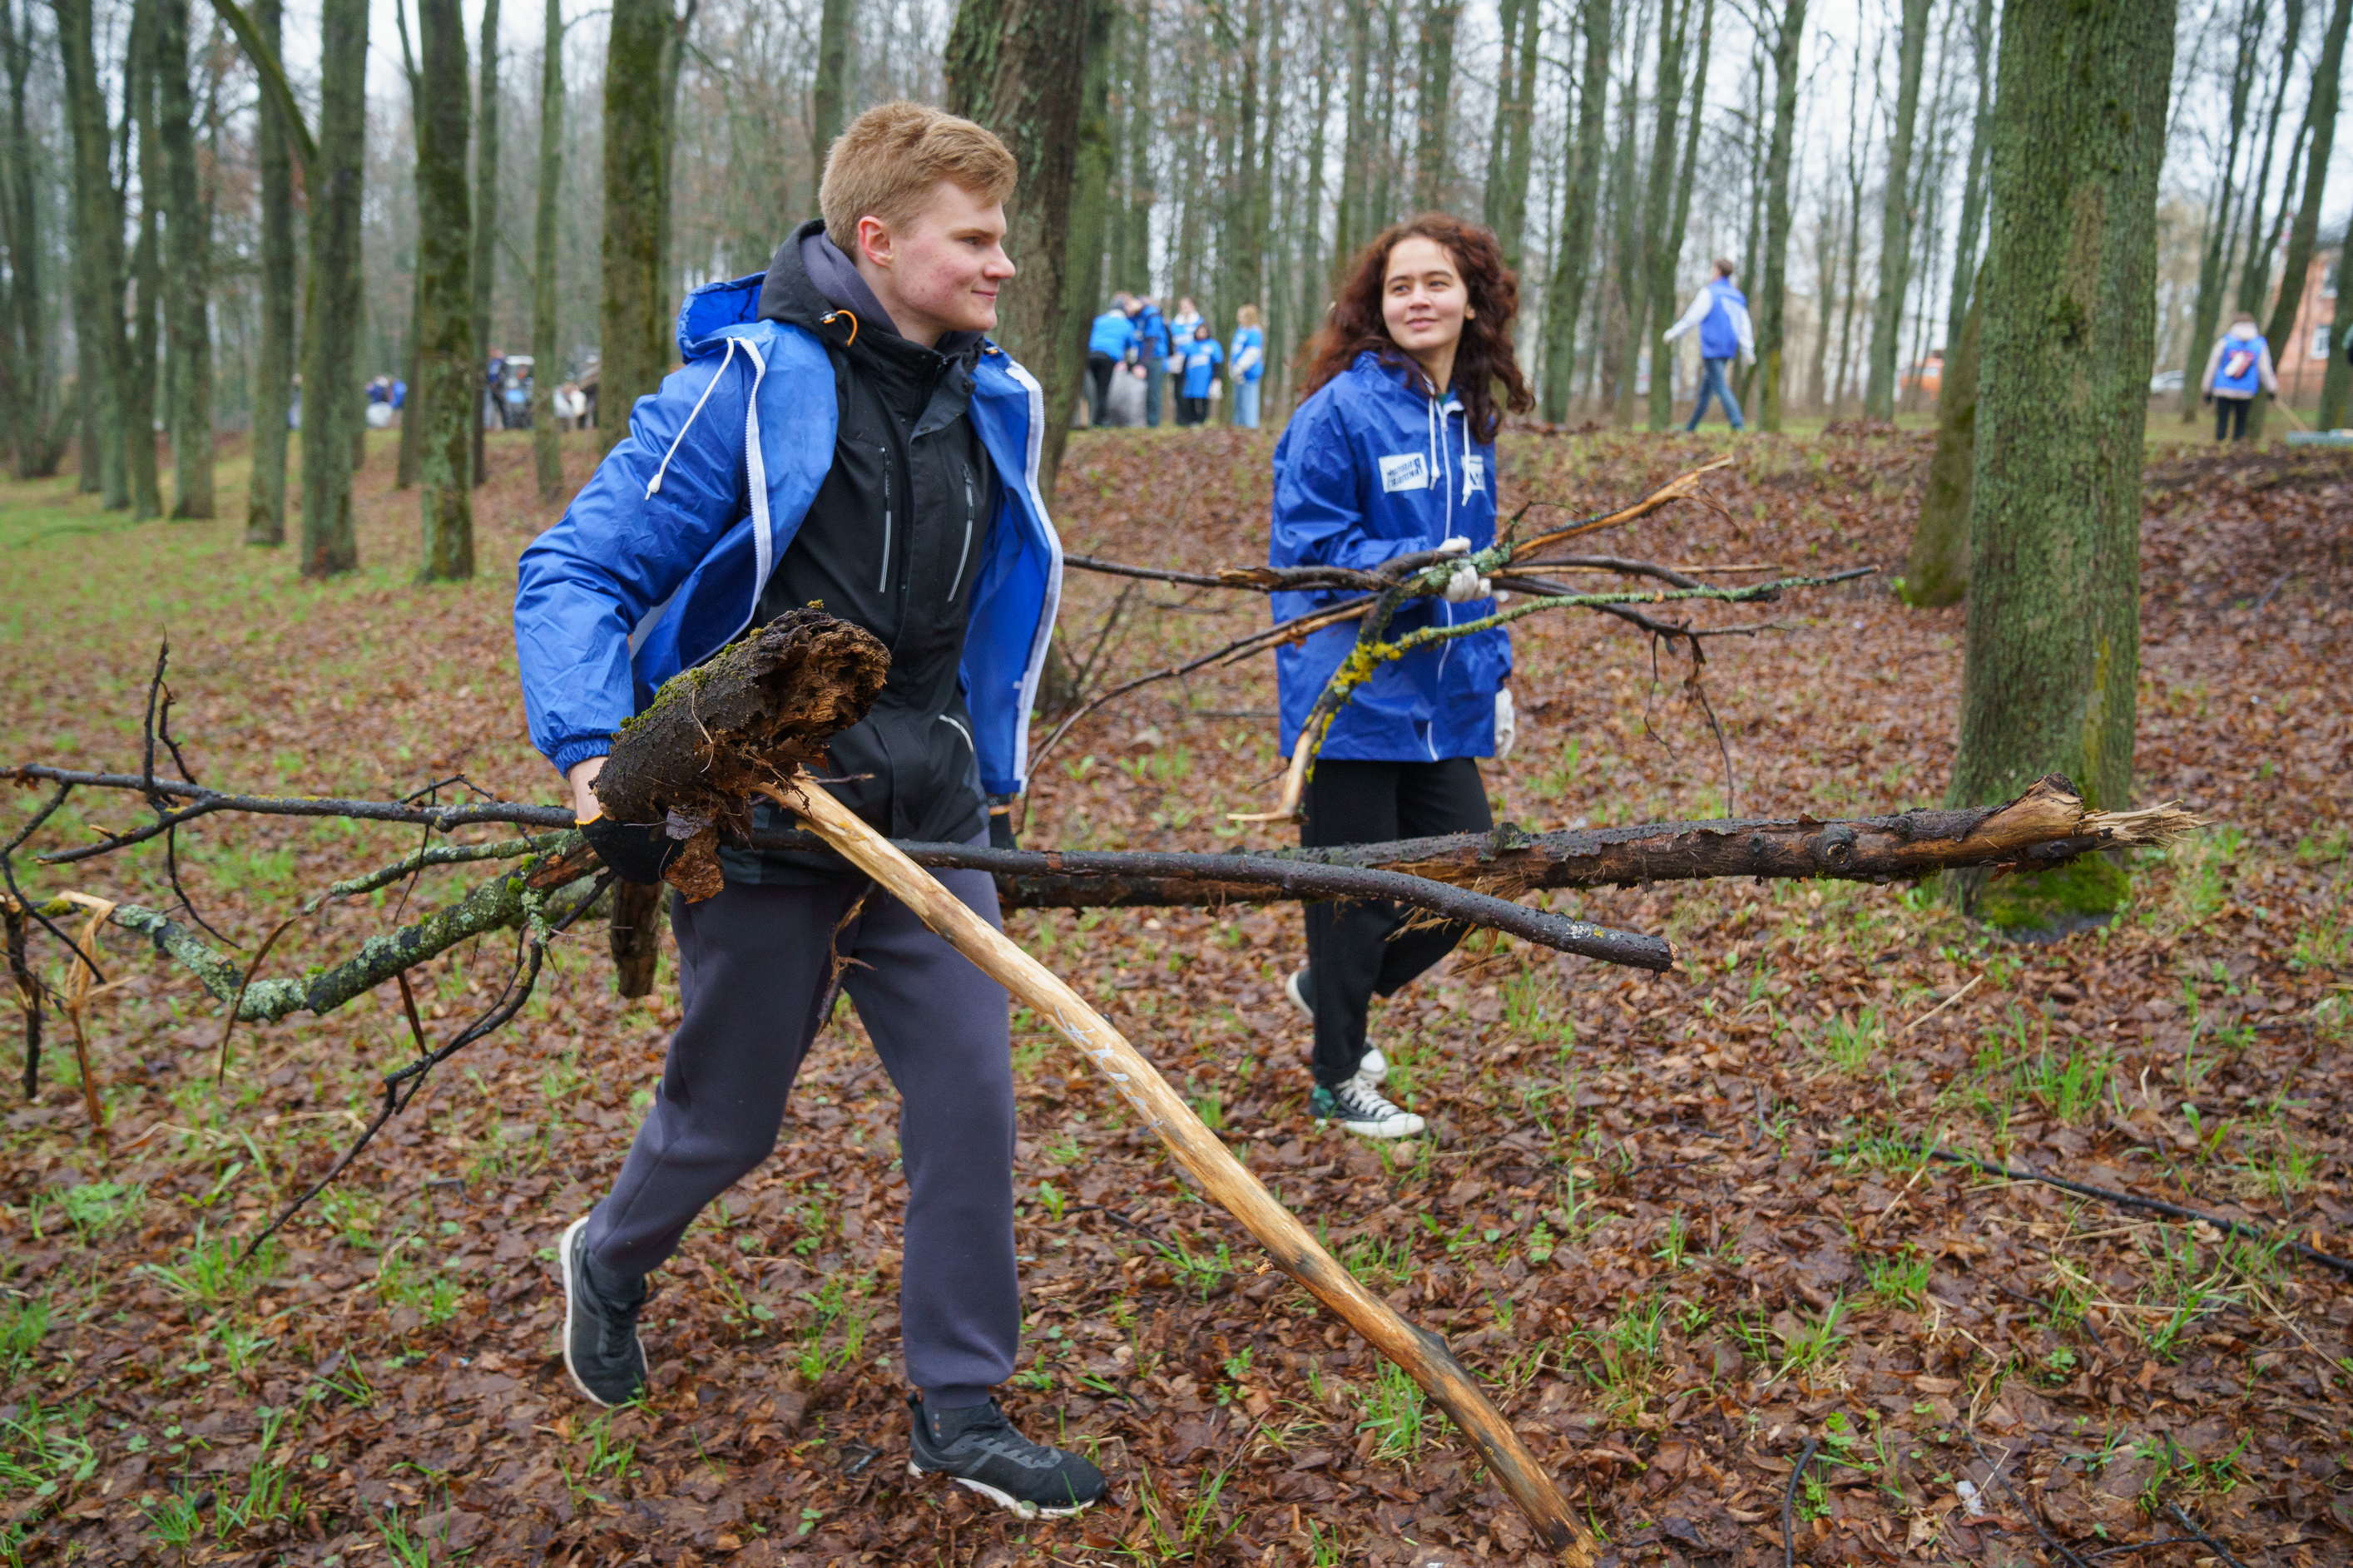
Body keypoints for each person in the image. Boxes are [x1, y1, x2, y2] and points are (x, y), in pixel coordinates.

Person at [513, 100, 1107, 1520]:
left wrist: (993, 788)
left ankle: (958, 1408)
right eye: (974, 239)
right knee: (728, 1122)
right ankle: (606, 1255)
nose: (1001, 266)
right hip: (764, 828)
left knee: (969, 1093)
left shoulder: (987, 399)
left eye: (1003, 238)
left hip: (928, 823)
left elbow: (972, 625)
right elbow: (573, 572)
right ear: (877, 238)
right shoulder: (746, 388)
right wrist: (596, 759)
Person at [1266, 214, 1531, 1139]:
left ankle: (1327, 987)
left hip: (1440, 697)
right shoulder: (1337, 411)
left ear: (1471, 299)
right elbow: (1307, 551)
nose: (1417, 299)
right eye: (1399, 286)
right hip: (1351, 696)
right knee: (1356, 894)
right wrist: (1416, 562)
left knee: (1470, 875)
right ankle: (1338, 1076)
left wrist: (1493, 676)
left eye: (1435, 283)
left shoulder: (1469, 419)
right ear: (1376, 307)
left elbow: (1481, 568)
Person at [1662, 259, 1755, 432]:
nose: (1711, 272)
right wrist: (1747, 348)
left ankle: (1738, 424)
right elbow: (1743, 323)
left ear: (1718, 271)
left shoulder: (1710, 292)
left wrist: (1674, 333)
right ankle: (1690, 428)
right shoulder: (1736, 296)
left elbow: (1693, 317)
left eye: (1713, 269)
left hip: (1713, 345)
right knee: (1706, 391)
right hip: (1729, 347)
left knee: (1720, 386)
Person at [2201, 312, 2277, 442]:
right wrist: (2272, 389)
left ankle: (2220, 446)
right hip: (2246, 390)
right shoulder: (2259, 344)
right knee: (2241, 423)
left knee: (2222, 422)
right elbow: (2265, 369)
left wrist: (2206, 389)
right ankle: (2237, 447)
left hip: (2223, 388)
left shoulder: (2225, 342)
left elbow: (2212, 366)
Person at [1087, 294, 1137, 427]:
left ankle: (1091, 418)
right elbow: (1132, 349)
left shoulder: (1099, 320)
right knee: (1103, 389)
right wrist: (1131, 365)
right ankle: (1100, 420)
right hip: (1108, 358)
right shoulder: (1127, 324)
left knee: (1093, 389)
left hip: (1091, 356)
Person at [1130, 294, 1172, 427]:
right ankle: (1140, 422)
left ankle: (1153, 424)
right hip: (1141, 358)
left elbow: (1151, 340)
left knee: (1153, 392)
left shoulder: (1152, 314)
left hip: (1154, 357)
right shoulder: (1136, 317)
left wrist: (1142, 364)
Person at [1176, 321, 1223, 425]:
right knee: (1190, 399)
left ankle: (1202, 419)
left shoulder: (1213, 346)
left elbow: (1217, 363)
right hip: (1191, 379)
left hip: (1205, 378)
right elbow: (1185, 362)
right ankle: (1191, 420)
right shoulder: (1191, 346)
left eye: (1203, 332)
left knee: (1204, 400)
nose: (1201, 334)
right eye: (1199, 331)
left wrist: (1217, 377)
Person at [1230, 304, 1266, 428]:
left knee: (1248, 404)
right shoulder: (1240, 331)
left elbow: (1252, 353)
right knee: (1238, 405)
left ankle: (1250, 429)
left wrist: (1240, 367)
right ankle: (1238, 429)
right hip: (1237, 373)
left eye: (1242, 315)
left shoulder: (1254, 333)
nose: (1239, 318)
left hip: (1249, 373)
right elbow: (1235, 351)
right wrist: (1233, 368)